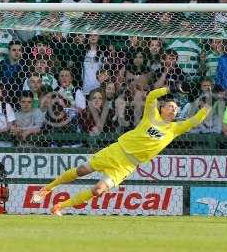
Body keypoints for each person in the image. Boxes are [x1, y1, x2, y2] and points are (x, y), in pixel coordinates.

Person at [32, 85, 211, 215]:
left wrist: (209, 103)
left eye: (175, 108)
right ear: (162, 109)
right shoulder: (152, 115)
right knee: (81, 171)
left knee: (98, 190)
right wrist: (171, 88)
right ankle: (46, 189)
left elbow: (195, 120)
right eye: (170, 106)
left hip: (126, 166)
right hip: (117, 150)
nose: (173, 109)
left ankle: (59, 207)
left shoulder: (174, 129)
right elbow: (151, 97)